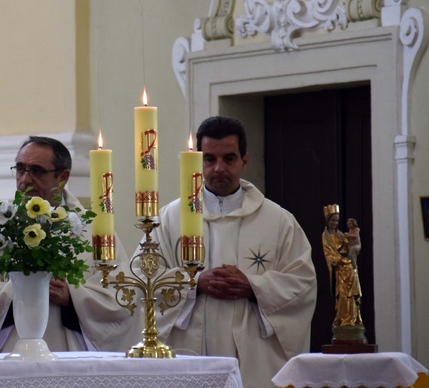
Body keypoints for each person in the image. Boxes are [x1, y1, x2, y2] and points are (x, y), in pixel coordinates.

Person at [133, 116, 317, 388]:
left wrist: (253, 286)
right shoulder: (170, 218)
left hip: (254, 353)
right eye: (209, 159)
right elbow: (142, 277)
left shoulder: (278, 221)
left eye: (229, 158)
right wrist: (194, 283)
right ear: (198, 161)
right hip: (188, 351)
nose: (218, 168)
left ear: (245, 159)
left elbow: (303, 284)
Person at [0, 136, 133, 353]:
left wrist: (71, 297)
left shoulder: (95, 230)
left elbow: (121, 299)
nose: (25, 179)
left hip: (70, 359)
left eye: (37, 171)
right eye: (20, 169)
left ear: (62, 177)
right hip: (9, 356)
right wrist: (21, 289)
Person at [322, 205, 363, 328]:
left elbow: (352, 246)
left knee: (353, 295)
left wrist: (352, 255)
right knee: (343, 295)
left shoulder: (342, 235)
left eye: (337, 220)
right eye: (332, 220)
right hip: (340, 270)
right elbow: (328, 254)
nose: (335, 223)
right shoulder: (326, 236)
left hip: (350, 267)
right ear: (327, 221)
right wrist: (337, 259)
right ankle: (342, 319)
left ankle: (353, 319)